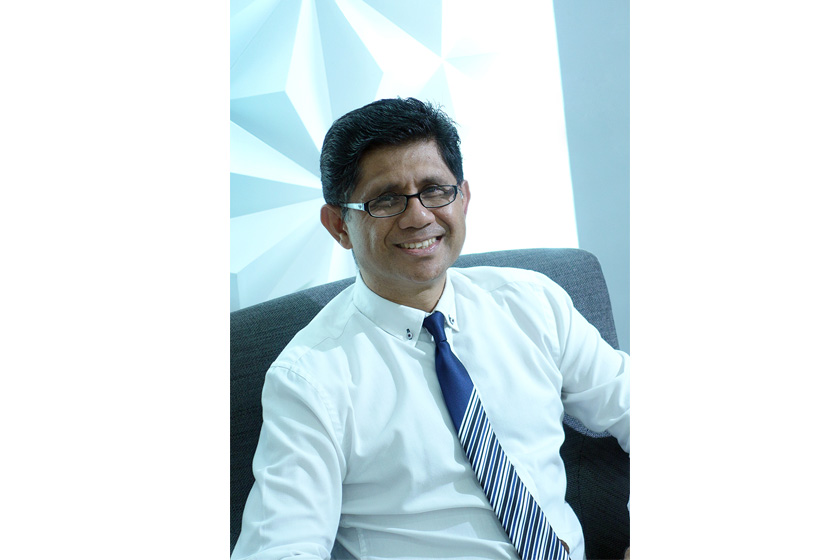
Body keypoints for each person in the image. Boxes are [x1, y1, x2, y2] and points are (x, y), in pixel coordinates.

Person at [231, 97, 630, 560]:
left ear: (463, 198)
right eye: (386, 199)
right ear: (339, 224)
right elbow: (280, 548)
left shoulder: (532, 302)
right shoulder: (310, 378)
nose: (419, 215)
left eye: (435, 190)